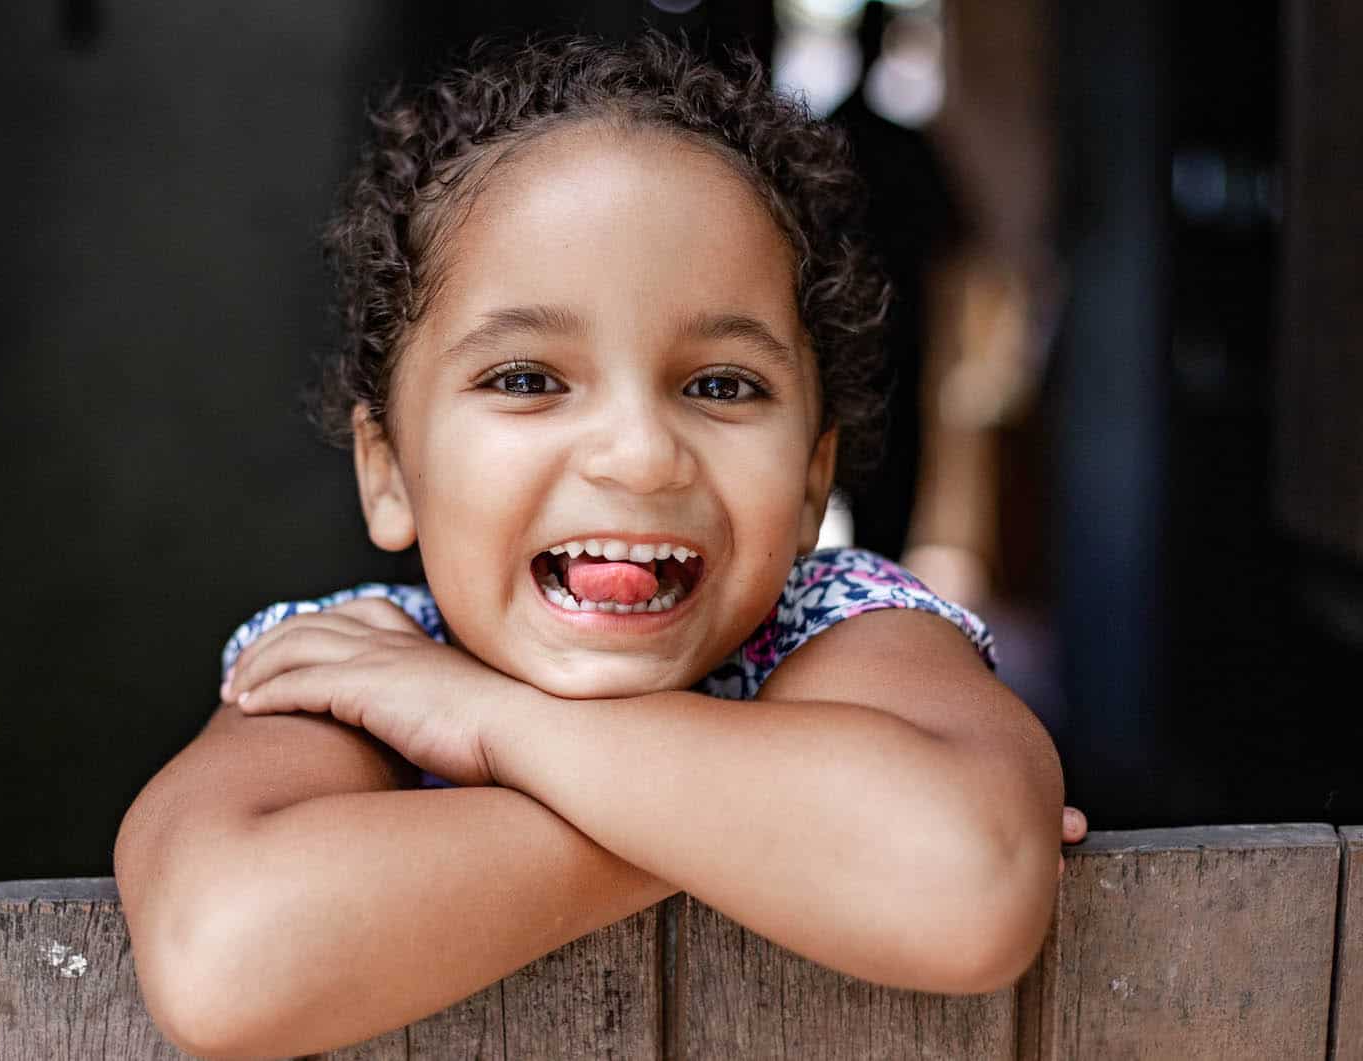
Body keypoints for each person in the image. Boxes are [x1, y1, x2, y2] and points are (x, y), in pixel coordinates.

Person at [113, 32, 1087, 1060]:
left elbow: (958, 886)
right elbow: (225, 959)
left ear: (809, 478)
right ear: (388, 468)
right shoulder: (356, 667)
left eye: (721, 385)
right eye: (527, 378)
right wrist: (774, 841)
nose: (637, 454)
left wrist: (494, 723)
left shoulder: (841, 628)